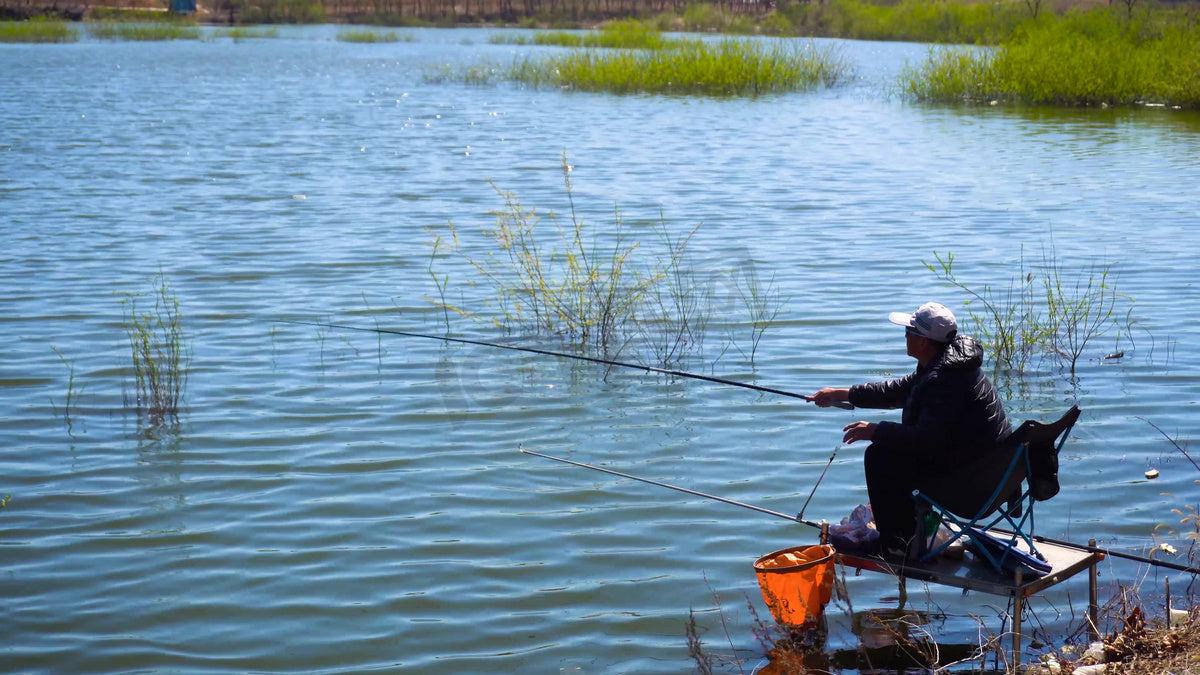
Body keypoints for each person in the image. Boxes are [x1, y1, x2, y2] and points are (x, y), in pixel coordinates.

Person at [811, 302, 1012, 558]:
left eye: (909, 331)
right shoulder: (951, 364)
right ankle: (906, 533)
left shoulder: (943, 380)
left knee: (879, 455)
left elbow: (926, 441)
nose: (905, 335)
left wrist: (876, 430)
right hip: (989, 477)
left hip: (971, 488)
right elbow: (896, 391)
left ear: (923, 342)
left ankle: (898, 545)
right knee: (890, 449)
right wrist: (839, 393)